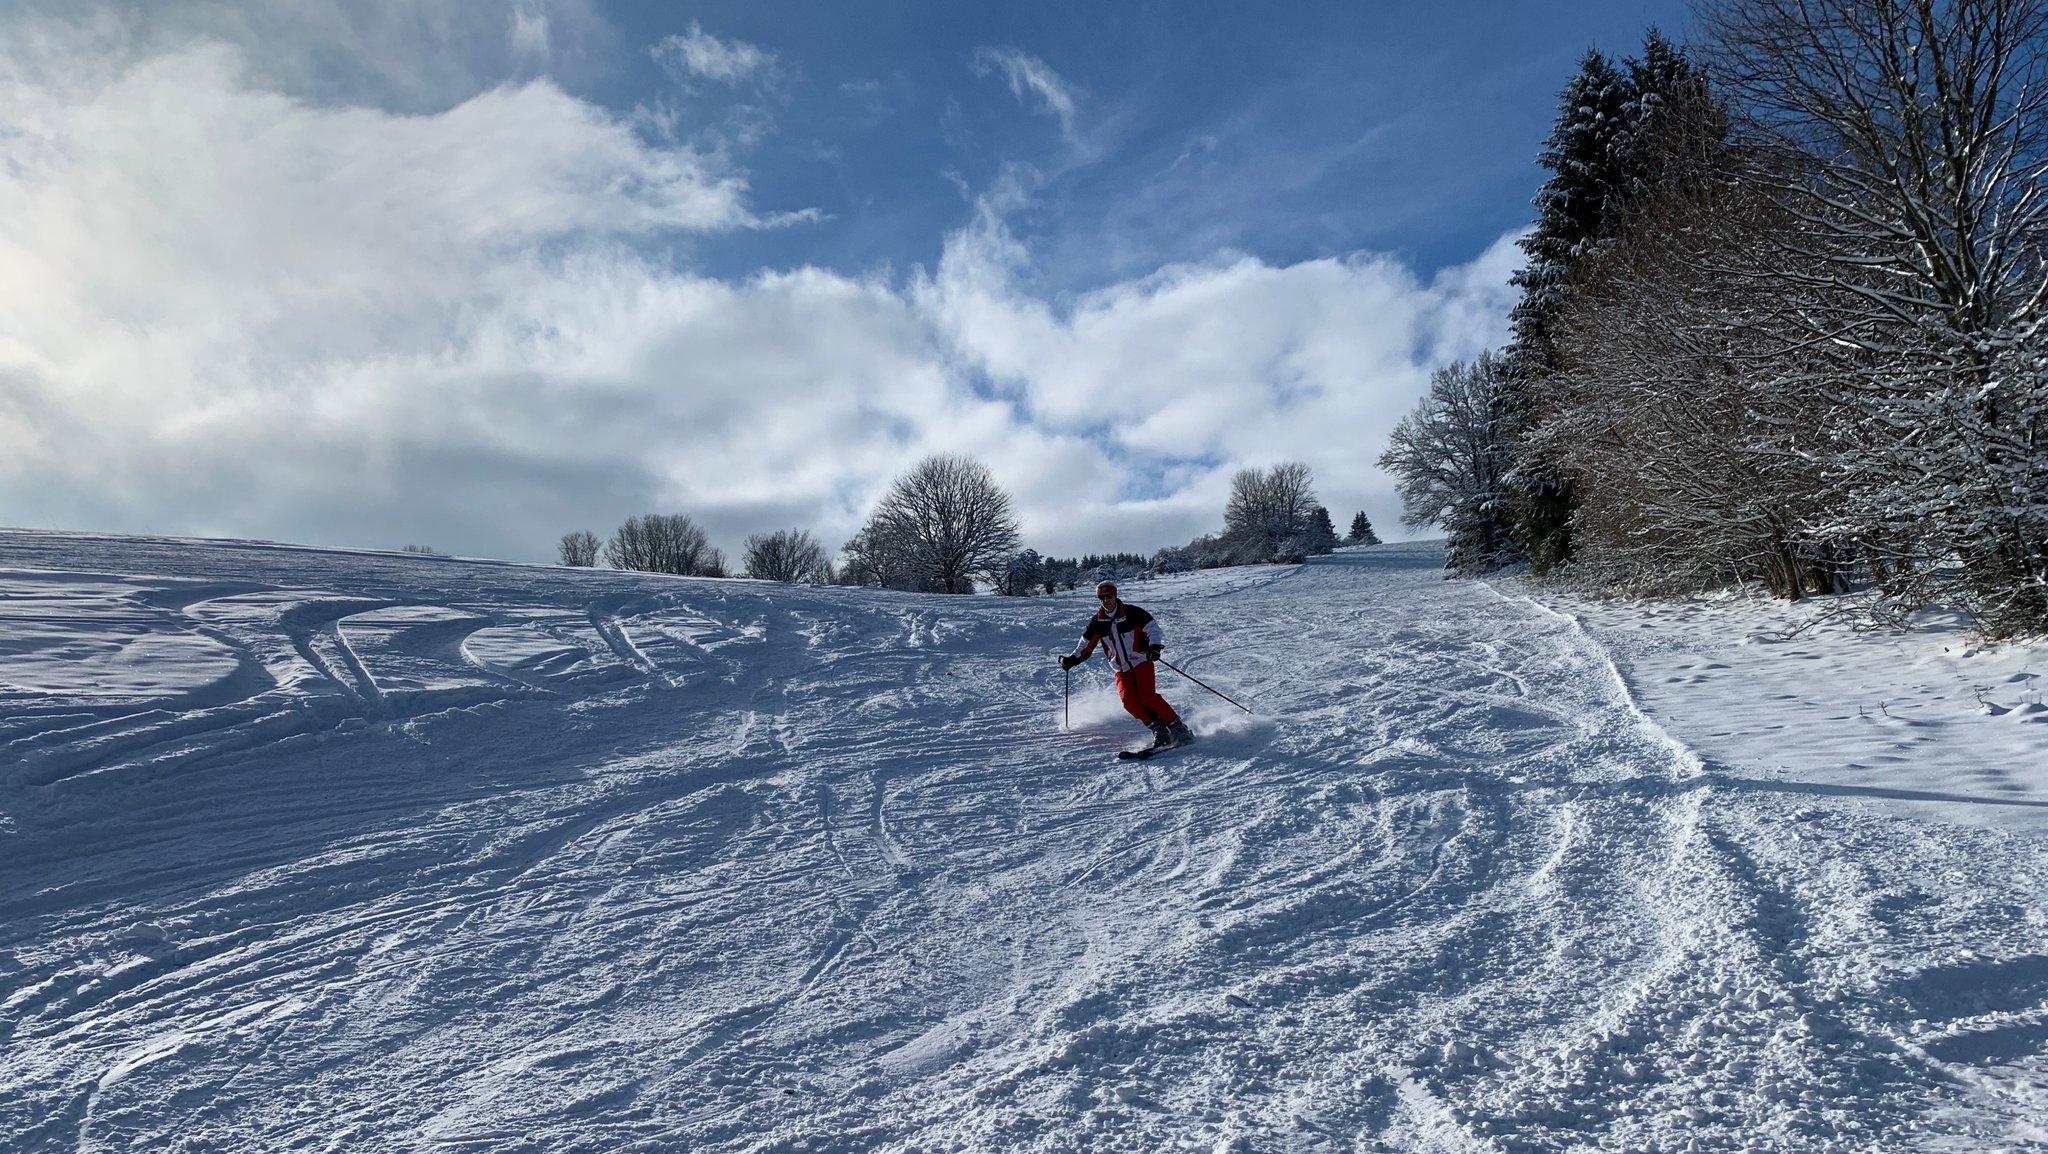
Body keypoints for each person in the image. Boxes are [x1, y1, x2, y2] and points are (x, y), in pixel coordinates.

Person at [1060, 581, 1195, 750]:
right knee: (1129, 702)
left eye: (1109, 596)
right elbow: (1085, 645)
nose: (1106, 600)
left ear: (1115, 596)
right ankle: (1159, 731)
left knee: (1148, 697)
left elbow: (1152, 628)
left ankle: (1178, 728)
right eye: (1102, 597)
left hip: (1141, 661)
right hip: (1120, 668)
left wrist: (1154, 647)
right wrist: (1071, 659)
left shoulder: (1133, 613)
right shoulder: (1097, 622)